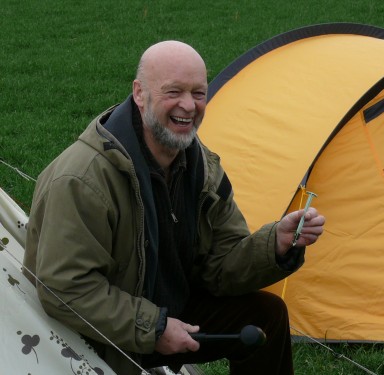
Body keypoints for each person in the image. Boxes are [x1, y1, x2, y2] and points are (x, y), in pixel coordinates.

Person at [23, 41, 325, 375]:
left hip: (169, 313)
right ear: (140, 93)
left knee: (266, 316)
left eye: (198, 93)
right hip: (104, 335)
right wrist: (153, 328)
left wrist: (276, 245)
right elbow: (63, 287)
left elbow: (221, 267)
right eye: (174, 91)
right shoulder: (83, 179)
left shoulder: (202, 168)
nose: (189, 105)